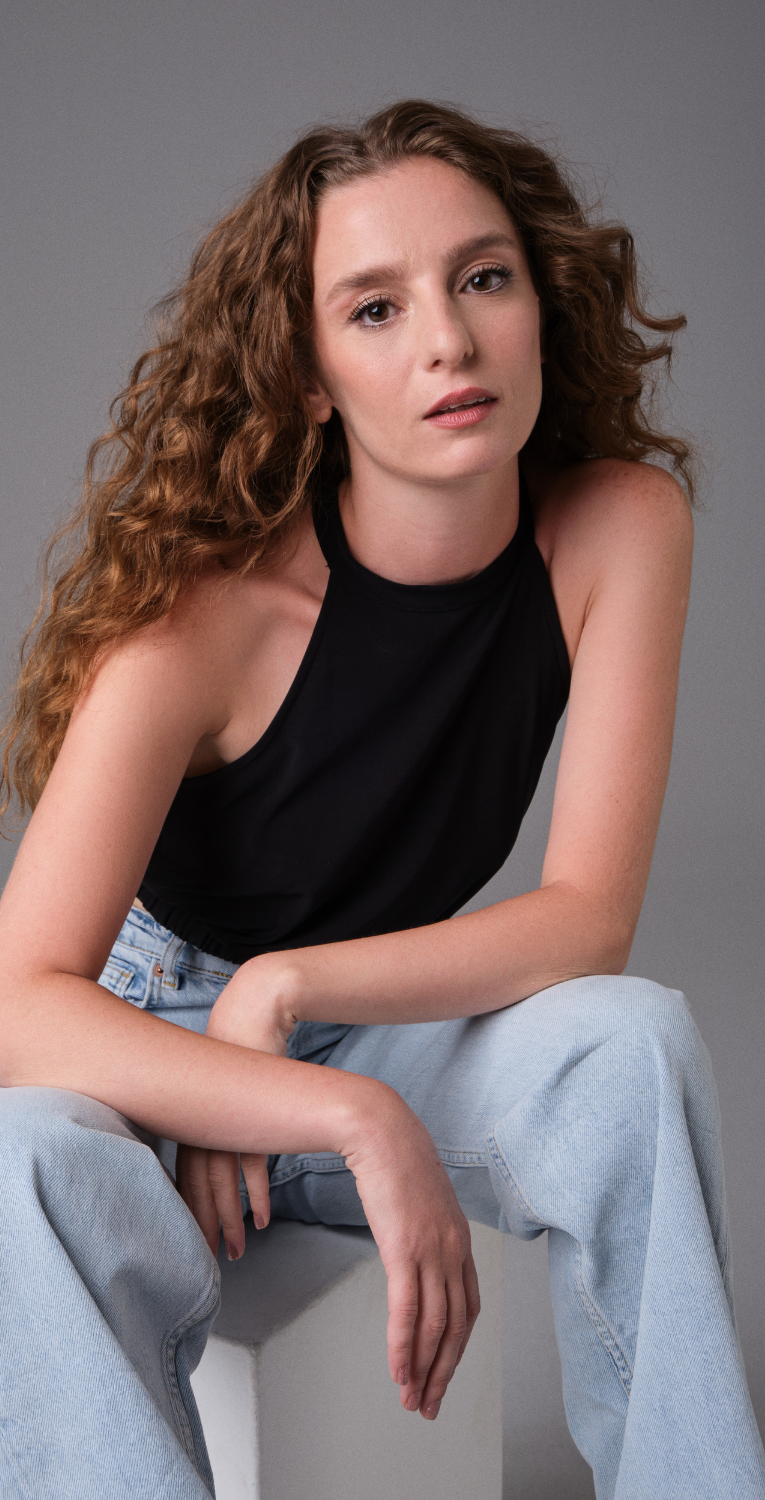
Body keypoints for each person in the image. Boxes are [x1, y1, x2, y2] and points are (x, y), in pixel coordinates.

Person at [0, 98, 762, 1500]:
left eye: (483, 278)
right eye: (374, 308)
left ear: (541, 303)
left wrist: (289, 992)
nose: (447, 343)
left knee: (633, 1046)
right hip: (156, 1048)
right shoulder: (204, 618)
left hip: (371, 1011)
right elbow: (18, 999)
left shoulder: (618, 528)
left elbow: (587, 920)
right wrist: (336, 1114)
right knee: (17, 1163)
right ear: (308, 377)